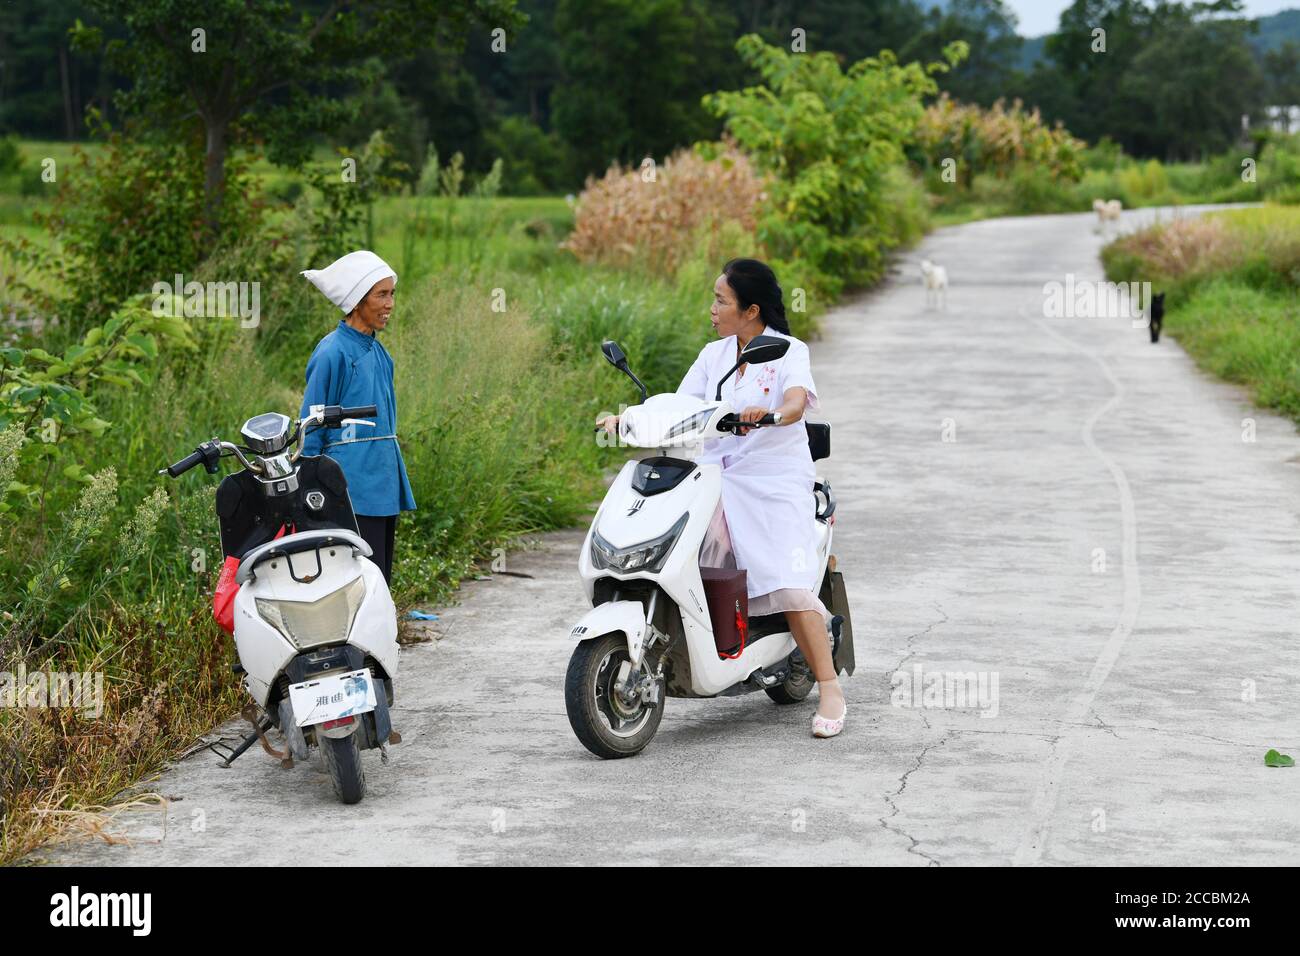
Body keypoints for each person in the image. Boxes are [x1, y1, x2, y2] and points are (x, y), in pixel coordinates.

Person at [598, 258, 845, 738]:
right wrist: (626, 417)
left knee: (791, 588)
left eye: (721, 300)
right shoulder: (714, 355)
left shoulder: (789, 351)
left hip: (773, 481)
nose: (712, 309)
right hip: (716, 475)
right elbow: (679, 404)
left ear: (751, 310)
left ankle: (830, 686)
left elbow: (795, 402)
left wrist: (770, 412)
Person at [299, 250, 415, 584]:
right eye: (381, 294)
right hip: (349, 486)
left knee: (379, 577)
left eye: (392, 294)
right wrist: (313, 485)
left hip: (381, 479)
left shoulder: (380, 353)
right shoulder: (332, 352)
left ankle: (377, 634)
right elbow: (312, 423)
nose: (390, 304)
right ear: (357, 300)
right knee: (355, 577)